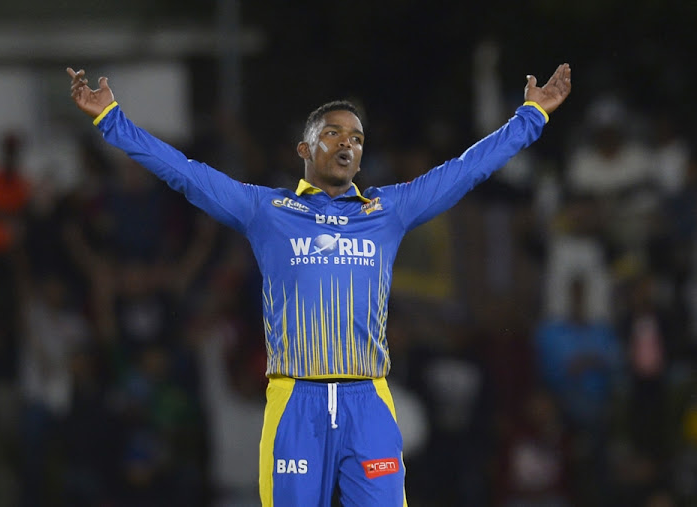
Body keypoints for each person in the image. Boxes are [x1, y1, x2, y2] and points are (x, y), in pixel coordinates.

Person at [67, 62, 571, 506]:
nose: (347, 144)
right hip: (295, 404)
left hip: (368, 399)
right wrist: (112, 122)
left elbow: (466, 171)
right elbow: (186, 174)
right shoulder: (268, 210)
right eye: (333, 133)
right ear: (304, 148)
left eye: (356, 137)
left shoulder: (387, 211)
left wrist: (532, 116)